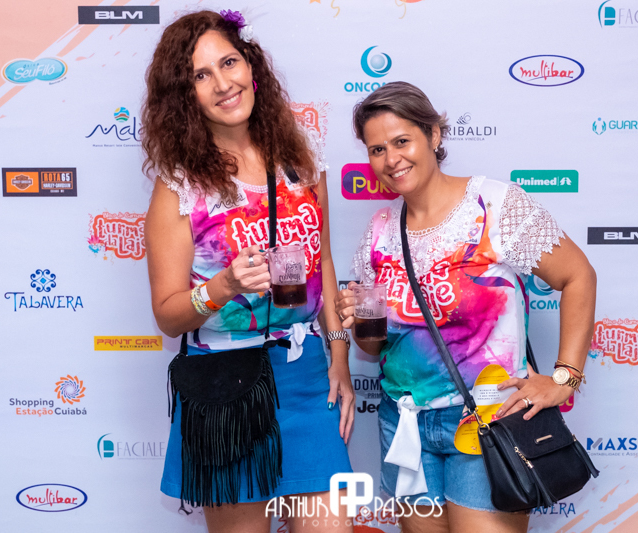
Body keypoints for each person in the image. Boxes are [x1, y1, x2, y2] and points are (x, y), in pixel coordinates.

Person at [335, 82, 597, 533]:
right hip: (406, 426)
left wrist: (564, 379)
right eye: (377, 149)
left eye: (402, 141)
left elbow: (578, 276)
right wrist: (360, 319)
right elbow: (373, 348)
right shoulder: (380, 230)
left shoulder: (493, 205)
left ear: (434, 135)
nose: (391, 159)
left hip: (488, 420)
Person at [142, 10, 354, 533]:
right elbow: (168, 316)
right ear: (185, 96)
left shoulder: (301, 157)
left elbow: (323, 261)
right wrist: (223, 286)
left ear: (251, 65)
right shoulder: (180, 186)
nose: (223, 84)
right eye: (201, 75)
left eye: (229, 62)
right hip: (225, 388)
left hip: (307, 377)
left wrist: (340, 357)